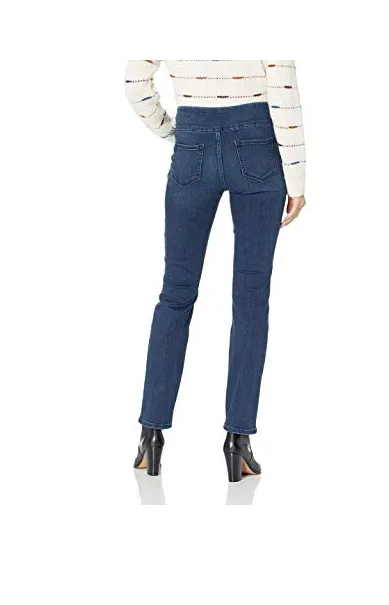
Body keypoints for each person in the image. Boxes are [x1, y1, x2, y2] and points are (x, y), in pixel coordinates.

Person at [125, 56, 306, 481]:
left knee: (175, 295)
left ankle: (151, 436)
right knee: (251, 300)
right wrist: (297, 180)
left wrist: (174, 131)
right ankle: (238, 442)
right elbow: (282, 88)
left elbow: (135, 82)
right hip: (258, 145)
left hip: (193, 141)